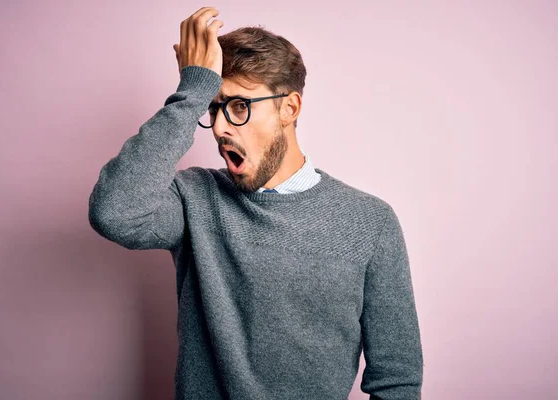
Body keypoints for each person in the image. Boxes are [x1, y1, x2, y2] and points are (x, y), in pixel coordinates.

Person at [88, 6, 423, 399]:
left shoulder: (370, 222)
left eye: (239, 106)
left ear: (290, 108)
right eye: (212, 108)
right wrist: (192, 92)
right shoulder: (194, 199)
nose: (220, 127)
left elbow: (396, 380)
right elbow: (115, 212)